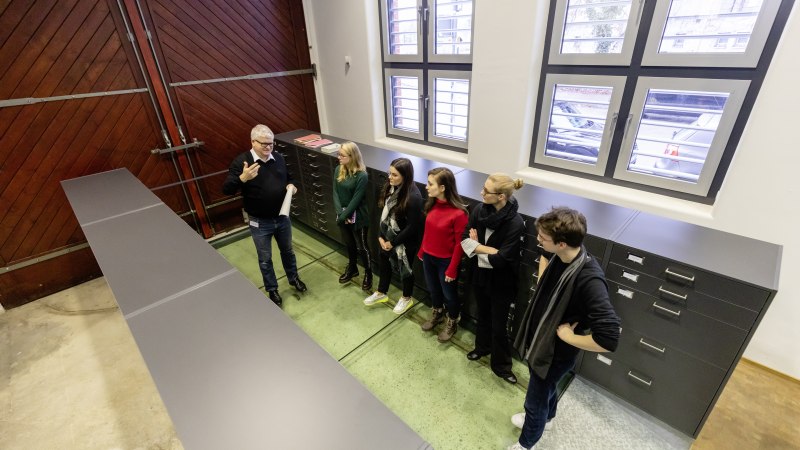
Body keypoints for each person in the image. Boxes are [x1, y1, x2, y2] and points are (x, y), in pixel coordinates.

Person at [507, 207, 621, 450]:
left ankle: (527, 444)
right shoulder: (564, 256)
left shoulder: (589, 279)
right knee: (546, 390)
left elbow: (610, 338)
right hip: (542, 343)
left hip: (554, 355)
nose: (538, 239)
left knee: (534, 401)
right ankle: (547, 420)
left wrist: (570, 337)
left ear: (561, 244)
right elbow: (551, 278)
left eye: (543, 238)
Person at [222, 124, 307, 307]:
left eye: (271, 143)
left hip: (282, 218)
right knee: (265, 259)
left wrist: (292, 186)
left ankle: (293, 278)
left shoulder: (278, 157)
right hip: (260, 222)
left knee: (288, 252)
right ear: (253, 142)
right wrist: (242, 179)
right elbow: (226, 189)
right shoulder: (241, 162)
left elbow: (290, 177)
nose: (269, 148)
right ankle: (272, 289)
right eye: (264, 144)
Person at [460, 174, 525, 385]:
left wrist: (476, 246)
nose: (481, 193)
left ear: (501, 197)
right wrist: (488, 250)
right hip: (479, 274)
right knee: (483, 315)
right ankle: (482, 347)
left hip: (501, 281)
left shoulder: (515, 222)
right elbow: (464, 240)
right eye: (483, 188)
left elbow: (503, 259)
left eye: (487, 191)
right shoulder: (479, 210)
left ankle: (502, 366)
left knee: (499, 324)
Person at [363, 158, 423, 314]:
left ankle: (407, 297)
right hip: (387, 237)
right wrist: (380, 236)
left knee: (406, 270)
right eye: (389, 173)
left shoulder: (414, 197)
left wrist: (393, 242)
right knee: (384, 262)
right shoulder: (391, 188)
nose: (390, 177)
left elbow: (413, 227)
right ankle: (382, 292)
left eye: (395, 175)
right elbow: (384, 214)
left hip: (405, 241)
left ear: (406, 175)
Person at [418, 167, 468, 342]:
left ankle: (453, 320)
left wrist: (452, 268)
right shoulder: (432, 205)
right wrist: (422, 250)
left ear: (443, 187)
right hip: (429, 258)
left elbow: (459, 245)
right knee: (433, 290)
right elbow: (428, 231)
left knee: (449, 295)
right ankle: (437, 313)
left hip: (445, 262)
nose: (426, 186)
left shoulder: (459, 214)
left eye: (430, 184)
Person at [333, 142, 372, 291]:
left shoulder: (362, 175)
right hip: (343, 215)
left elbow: (357, 199)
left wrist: (344, 215)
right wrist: (340, 214)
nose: (339, 157)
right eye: (338, 154)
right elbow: (335, 192)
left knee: (362, 247)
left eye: (342, 155)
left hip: (359, 217)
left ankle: (369, 274)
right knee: (349, 244)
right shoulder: (338, 170)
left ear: (352, 156)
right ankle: (353, 268)